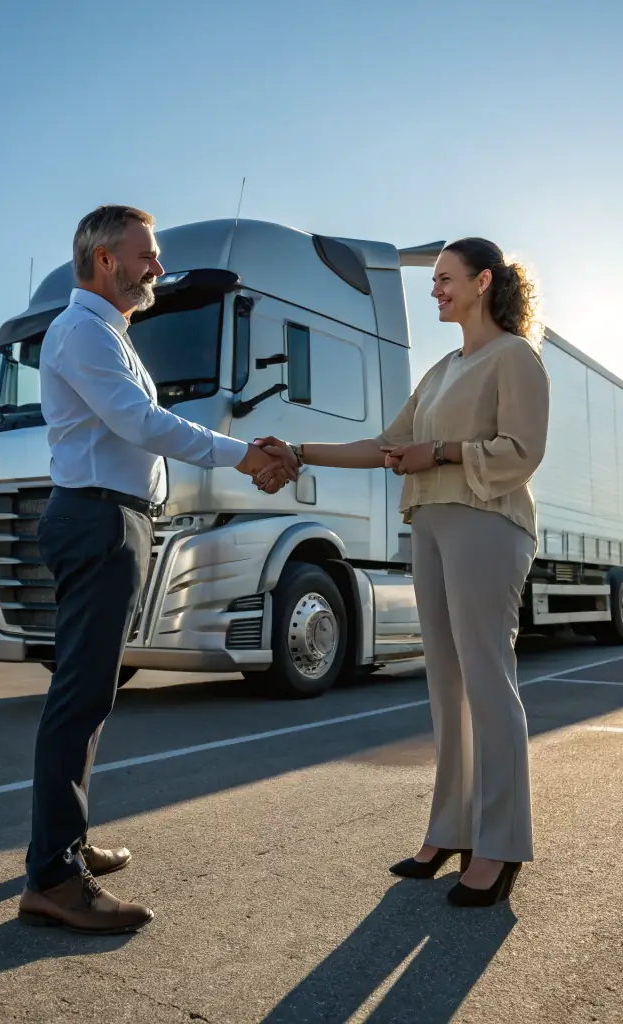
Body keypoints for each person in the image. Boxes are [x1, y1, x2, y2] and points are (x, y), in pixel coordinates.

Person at [17, 204, 296, 934]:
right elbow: (141, 424)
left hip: (113, 518)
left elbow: (138, 427)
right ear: (105, 259)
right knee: (80, 696)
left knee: (93, 693)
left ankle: (64, 847)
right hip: (97, 519)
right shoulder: (83, 331)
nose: (157, 268)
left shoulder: (105, 332)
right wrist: (244, 455)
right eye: (146, 255)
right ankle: (51, 877)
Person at [256, 237, 549, 908]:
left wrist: (439, 452)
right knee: (444, 686)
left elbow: (522, 452)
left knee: (486, 682)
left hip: (485, 523)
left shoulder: (516, 358)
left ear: (482, 282)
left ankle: (499, 845)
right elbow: (388, 447)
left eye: (445, 279)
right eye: (433, 280)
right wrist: (299, 450)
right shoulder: (443, 368)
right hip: (431, 526)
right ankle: (451, 828)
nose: (435, 290)